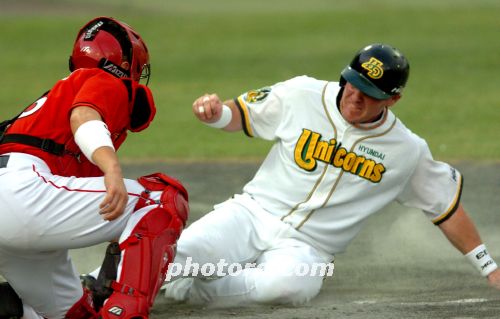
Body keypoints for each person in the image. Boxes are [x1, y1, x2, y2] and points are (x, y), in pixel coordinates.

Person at [161, 43, 500, 307]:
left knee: (287, 287)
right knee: (177, 255)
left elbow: (446, 209)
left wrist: (489, 267)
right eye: (352, 84)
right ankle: (108, 285)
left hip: (310, 250)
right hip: (251, 214)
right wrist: (217, 114)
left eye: (370, 94)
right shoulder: (301, 94)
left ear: (393, 99)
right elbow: (242, 114)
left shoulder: (406, 150)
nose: (355, 97)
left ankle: (193, 292)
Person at [0, 17, 188, 319]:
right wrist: (111, 167)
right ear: (125, 61)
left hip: (17, 207)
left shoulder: (49, 103)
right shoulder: (104, 80)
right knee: (160, 200)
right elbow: (84, 118)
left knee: (77, 314)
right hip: (23, 192)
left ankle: (14, 307)